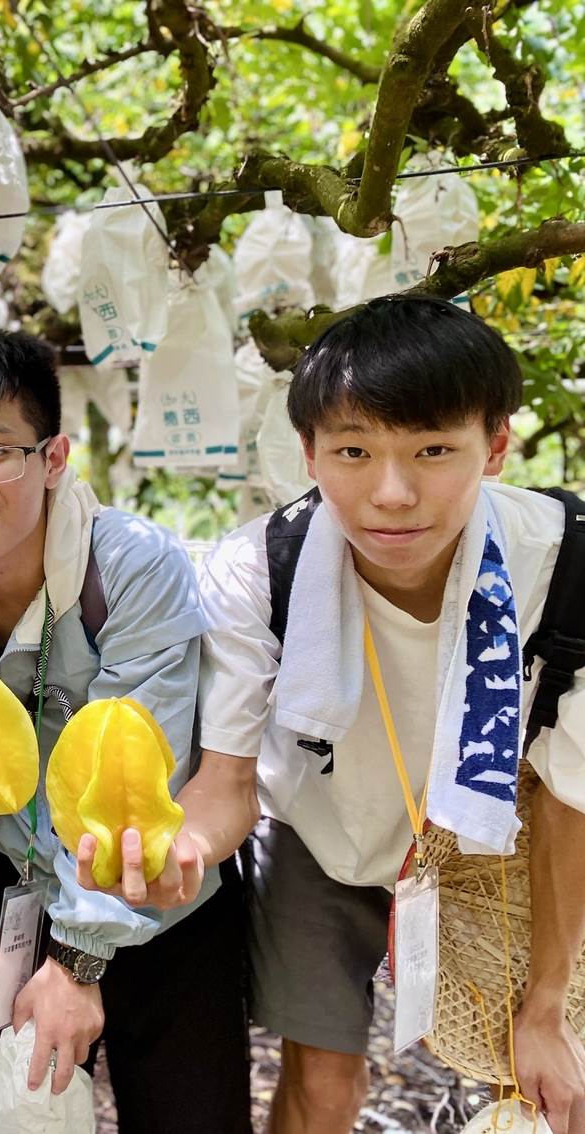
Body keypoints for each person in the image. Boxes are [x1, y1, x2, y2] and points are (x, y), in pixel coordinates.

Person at [149, 295, 585, 1133]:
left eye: (433, 450)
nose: (392, 493)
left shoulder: (568, 567)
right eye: (353, 451)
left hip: (503, 830)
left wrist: (547, 1003)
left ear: (496, 447)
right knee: (320, 1079)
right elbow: (226, 784)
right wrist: (179, 851)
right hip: (319, 830)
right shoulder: (257, 570)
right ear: (308, 452)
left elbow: (572, 794)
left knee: (538, 1076)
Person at [0, 330, 251, 1132]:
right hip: (18, 889)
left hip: (158, 891)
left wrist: (77, 961)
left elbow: (145, 787)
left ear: (54, 457)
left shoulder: (131, 565)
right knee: (13, 1114)